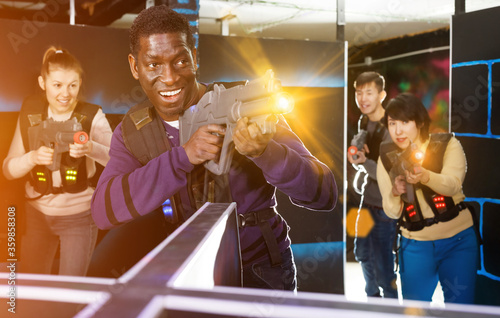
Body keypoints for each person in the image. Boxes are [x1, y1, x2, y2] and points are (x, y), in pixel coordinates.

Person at [90, 5, 337, 290]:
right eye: (154, 65)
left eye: (180, 61)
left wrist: (265, 153)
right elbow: (103, 210)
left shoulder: (244, 103)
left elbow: (324, 194)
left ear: (194, 58)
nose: (169, 77)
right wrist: (182, 157)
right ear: (135, 66)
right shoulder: (134, 130)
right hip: (187, 272)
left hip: (258, 268)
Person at [2, 47, 113, 276]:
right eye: (57, 85)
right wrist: (31, 158)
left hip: (79, 216)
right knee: (33, 289)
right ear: (43, 83)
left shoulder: (93, 116)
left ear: (80, 83)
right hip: (36, 214)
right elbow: (8, 170)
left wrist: (90, 148)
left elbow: (118, 159)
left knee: (70, 290)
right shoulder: (30, 111)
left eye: (73, 85)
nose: (66, 93)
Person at [377, 93, 478, 304]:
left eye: (405, 122)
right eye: (392, 123)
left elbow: (453, 184)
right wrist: (395, 193)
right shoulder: (385, 157)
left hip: (458, 241)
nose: (397, 131)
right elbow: (392, 211)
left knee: (460, 310)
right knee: (414, 311)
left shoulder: (447, 144)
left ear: (420, 122)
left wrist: (425, 176)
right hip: (415, 245)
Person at [348, 72, 398, 298]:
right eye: (359, 93)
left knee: (384, 263)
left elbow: (389, 174)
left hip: (385, 207)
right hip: (366, 201)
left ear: (382, 95)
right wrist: (356, 148)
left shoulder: (392, 126)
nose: (363, 98)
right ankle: (372, 296)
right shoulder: (364, 119)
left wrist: (365, 161)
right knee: (362, 253)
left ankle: (389, 304)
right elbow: (360, 139)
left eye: (369, 93)